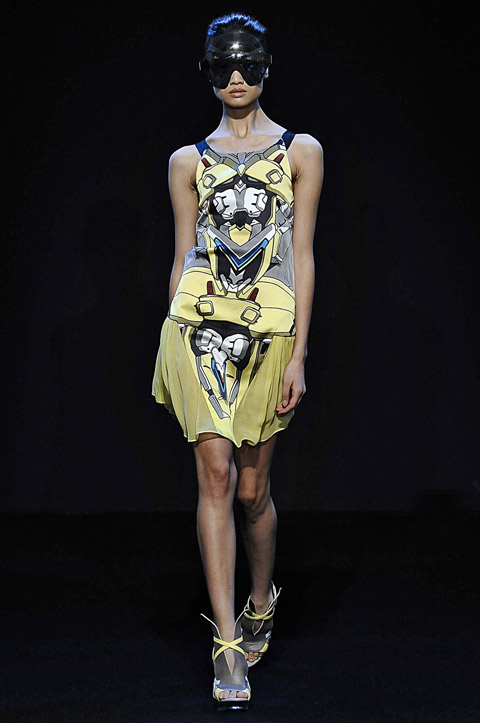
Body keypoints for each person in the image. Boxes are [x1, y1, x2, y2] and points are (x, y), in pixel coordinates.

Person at [151, 12, 323, 710]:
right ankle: (226, 642)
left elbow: (302, 255)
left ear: (266, 67)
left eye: (247, 63)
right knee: (216, 473)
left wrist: (300, 353)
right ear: (207, 73)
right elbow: (182, 256)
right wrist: (169, 338)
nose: (236, 76)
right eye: (223, 65)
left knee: (252, 489)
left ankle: (259, 600)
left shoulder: (300, 151)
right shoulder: (186, 161)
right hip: (197, 329)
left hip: (270, 332)